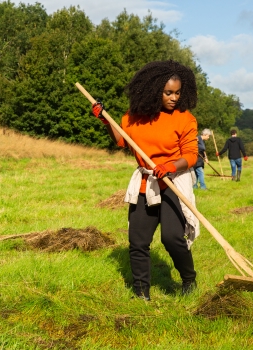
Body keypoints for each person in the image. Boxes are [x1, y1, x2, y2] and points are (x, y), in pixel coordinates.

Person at [92, 60, 200, 299]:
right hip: (146, 181)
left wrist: (170, 166)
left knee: (172, 238)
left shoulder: (185, 119)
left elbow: (191, 155)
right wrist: (105, 120)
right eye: (168, 93)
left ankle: (188, 280)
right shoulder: (134, 117)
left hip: (173, 181)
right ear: (154, 91)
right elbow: (121, 140)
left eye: (178, 92)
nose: (174, 98)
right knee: (138, 241)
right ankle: (141, 292)